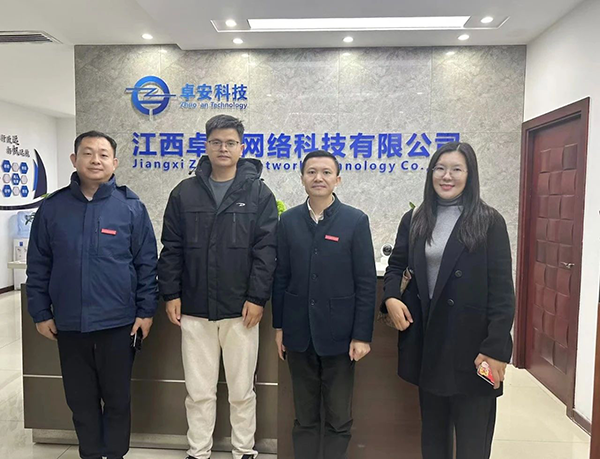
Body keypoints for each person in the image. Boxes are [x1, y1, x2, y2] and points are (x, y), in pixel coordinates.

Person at [26, 131, 158, 459]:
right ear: (74, 159)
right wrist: (40, 312)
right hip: (70, 322)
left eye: (103, 154)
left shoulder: (131, 207)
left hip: (118, 323)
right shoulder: (52, 208)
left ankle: (115, 454)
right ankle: (90, 453)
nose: (95, 160)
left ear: (115, 162)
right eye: (87, 153)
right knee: (80, 399)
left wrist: (146, 311)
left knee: (117, 399)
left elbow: (146, 264)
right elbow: (38, 264)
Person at [383, 141, 515, 459]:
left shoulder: (489, 221)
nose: (447, 176)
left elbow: (502, 291)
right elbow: (396, 266)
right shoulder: (415, 218)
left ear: (470, 174)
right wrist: (391, 297)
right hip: (430, 343)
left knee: (472, 442)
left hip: (474, 347)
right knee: (434, 438)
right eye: (440, 168)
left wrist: (495, 349)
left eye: (456, 169)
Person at [158, 114, 278, 459]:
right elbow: (172, 248)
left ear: (241, 147)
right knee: (198, 391)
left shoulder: (258, 193)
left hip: (242, 310)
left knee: (242, 390)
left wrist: (257, 298)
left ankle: (244, 450)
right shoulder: (184, 193)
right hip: (194, 307)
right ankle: (198, 451)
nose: (223, 148)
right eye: (216, 142)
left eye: (230, 142)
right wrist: (171, 293)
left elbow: (267, 251)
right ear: (206, 146)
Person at [272, 150, 377, 459]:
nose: (318, 178)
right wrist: (279, 327)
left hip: (341, 336)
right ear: (302, 178)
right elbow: (281, 276)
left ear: (337, 179)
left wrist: (362, 335)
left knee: (338, 417)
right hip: (298, 333)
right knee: (304, 416)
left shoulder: (355, 221)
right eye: (312, 172)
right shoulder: (288, 221)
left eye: (326, 172)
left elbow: (366, 282)